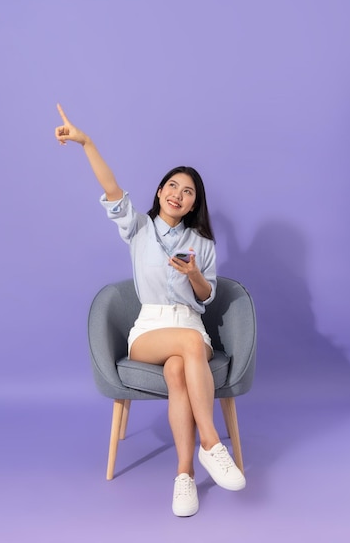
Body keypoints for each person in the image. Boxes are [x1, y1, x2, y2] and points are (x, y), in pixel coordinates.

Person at [54, 103, 246, 517]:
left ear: (194, 204)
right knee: (190, 343)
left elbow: (206, 297)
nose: (179, 194)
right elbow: (110, 188)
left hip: (192, 328)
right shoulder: (139, 228)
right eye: (173, 186)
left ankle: (184, 476)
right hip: (150, 331)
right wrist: (85, 142)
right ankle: (212, 444)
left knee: (180, 367)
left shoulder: (204, 245)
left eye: (188, 191)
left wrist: (195, 272)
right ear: (160, 192)